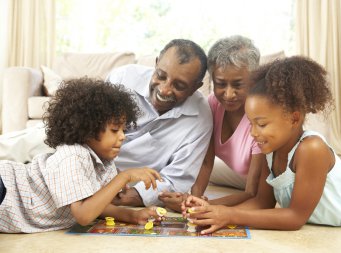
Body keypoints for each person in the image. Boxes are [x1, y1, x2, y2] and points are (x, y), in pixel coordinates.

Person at [0, 39, 212, 207]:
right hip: (78, 151)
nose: (165, 89)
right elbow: (85, 125)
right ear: (156, 63)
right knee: (18, 148)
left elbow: (177, 179)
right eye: (161, 76)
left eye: (179, 85)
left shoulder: (200, 118)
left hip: (118, 174)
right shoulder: (124, 77)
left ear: (196, 87)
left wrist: (135, 195)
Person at [182, 56, 341, 234]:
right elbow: (262, 202)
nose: (252, 133)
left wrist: (229, 216)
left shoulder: (312, 149)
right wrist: (213, 211)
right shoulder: (271, 151)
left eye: (261, 124)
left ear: (294, 119)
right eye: (250, 123)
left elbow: (295, 218)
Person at [0, 78, 163, 233]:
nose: (122, 136)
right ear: (88, 129)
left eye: (123, 130)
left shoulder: (105, 162)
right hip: (8, 190)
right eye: (115, 130)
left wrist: (133, 215)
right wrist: (124, 177)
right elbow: (84, 215)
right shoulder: (74, 155)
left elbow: (96, 206)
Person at [159, 35, 266, 211]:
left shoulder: (260, 116)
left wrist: (205, 206)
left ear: (253, 80)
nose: (229, 94)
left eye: (238, 85)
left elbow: (252, 193)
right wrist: (194, 198)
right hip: (234, 172)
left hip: (260, 178)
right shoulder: (212, 105)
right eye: (221, 84)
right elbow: (206, 162)